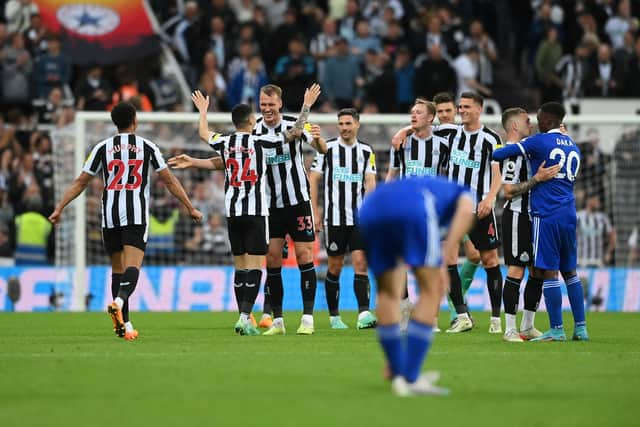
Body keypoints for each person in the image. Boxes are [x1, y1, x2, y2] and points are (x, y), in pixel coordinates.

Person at [170, 85, 322, 335]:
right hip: (261, 208)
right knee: (261, 264)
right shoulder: (260, 139)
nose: (266, 109)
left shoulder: (229, 140)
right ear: (253, 118)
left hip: (261, 206)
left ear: (280, 104)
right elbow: (292, 135)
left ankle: (293, 318)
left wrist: (203, 112)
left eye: (270, 104)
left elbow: (205, 135)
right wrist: (307, 105)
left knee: (245, 265)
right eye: (262, 105)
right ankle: (263, 319)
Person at [48, 101, 203, 340]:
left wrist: (59, 207)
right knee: (133, 267)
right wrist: (190, 207)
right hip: (135, 215)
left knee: (117, 271)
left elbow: (81, 182)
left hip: (109, 216)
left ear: (115, 123)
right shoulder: (147, 146)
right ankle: (119, 303)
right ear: (135, 120)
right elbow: (170, 181)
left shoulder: (102, 147)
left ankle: (125, 326)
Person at [358, 176, 474, 396]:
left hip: (370, 208)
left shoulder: (427, 186)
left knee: (388, 292)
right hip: (414, 208)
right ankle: (410, 376)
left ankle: (396, 367)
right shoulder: (462, 192)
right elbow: (467, 209)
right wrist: (445, 253)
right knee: (433, 289)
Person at [493, 101, 589, 342]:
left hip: (546, 215)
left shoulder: (539, 141)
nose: (535, 123)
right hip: (569, 213)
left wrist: (514, 147)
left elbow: (497, 153)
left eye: (538, 119)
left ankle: (556, 329)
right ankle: (580, 328)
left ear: (548, 120)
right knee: (571, 272)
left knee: (548, 272)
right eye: (529, 120)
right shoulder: (574, 146)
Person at [308, 108, 377, 331]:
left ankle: (364, 314)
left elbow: (370, 181)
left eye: (348, 123)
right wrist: (315, 210)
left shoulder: (367, 151)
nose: (345, 128)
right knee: (335, 267)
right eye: (341, 124)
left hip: (358, 219)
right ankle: (334, 316)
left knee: (361, 263)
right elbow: (314, 179)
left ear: (357, 124)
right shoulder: (326, 149)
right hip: (334, 218)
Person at [386, 98, 450, 330]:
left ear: (431, 118)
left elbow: (445, 179)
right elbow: (392, 175)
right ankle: (404, 310)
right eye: (412, 112)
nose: (414, 116)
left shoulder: (443, 145)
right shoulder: (401, 143)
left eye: (419, 112)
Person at [498, 107, 560, 342]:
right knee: (516, 270)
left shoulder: (529, 148)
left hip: (535, 217)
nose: (531, 124)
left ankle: (527, 326)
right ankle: (509, 329)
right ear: (515, 126)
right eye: (526, 121)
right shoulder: (510, 154)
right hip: (517, 216)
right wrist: (537, 179)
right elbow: (508, 191)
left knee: (538, 270)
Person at [444, 92, 504, 334]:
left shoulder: (491, 138)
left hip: (479, 209)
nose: (462, 110)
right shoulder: (450, 134)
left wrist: (490, 197)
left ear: (479, 109)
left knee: (489, 260)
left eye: (467, 107)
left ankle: (496, 318)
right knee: (447, 260)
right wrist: (403, 132)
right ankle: (461, 315)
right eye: (460, 106)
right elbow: (423, 125)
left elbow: (498, 172)